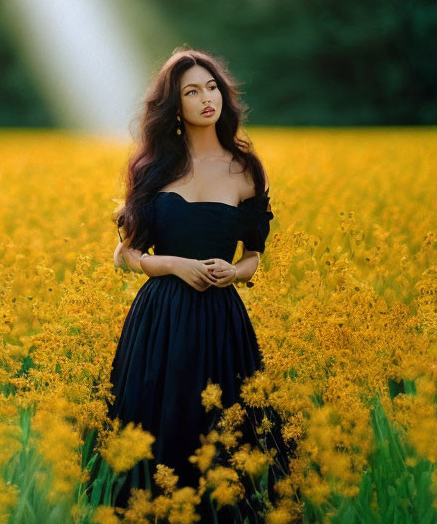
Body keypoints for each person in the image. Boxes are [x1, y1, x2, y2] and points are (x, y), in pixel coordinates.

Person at [101, 47, 294, 522]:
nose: (207, 98)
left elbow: (253, 256)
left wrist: (235, 272)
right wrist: (170, 265)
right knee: (154, 434)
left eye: (212, 87)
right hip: (159, 321)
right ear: (175, 106)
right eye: (192, 91)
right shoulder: (153, 168)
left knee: (226, 437)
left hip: (220, 321)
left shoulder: (245, 169)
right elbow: (123, 254)